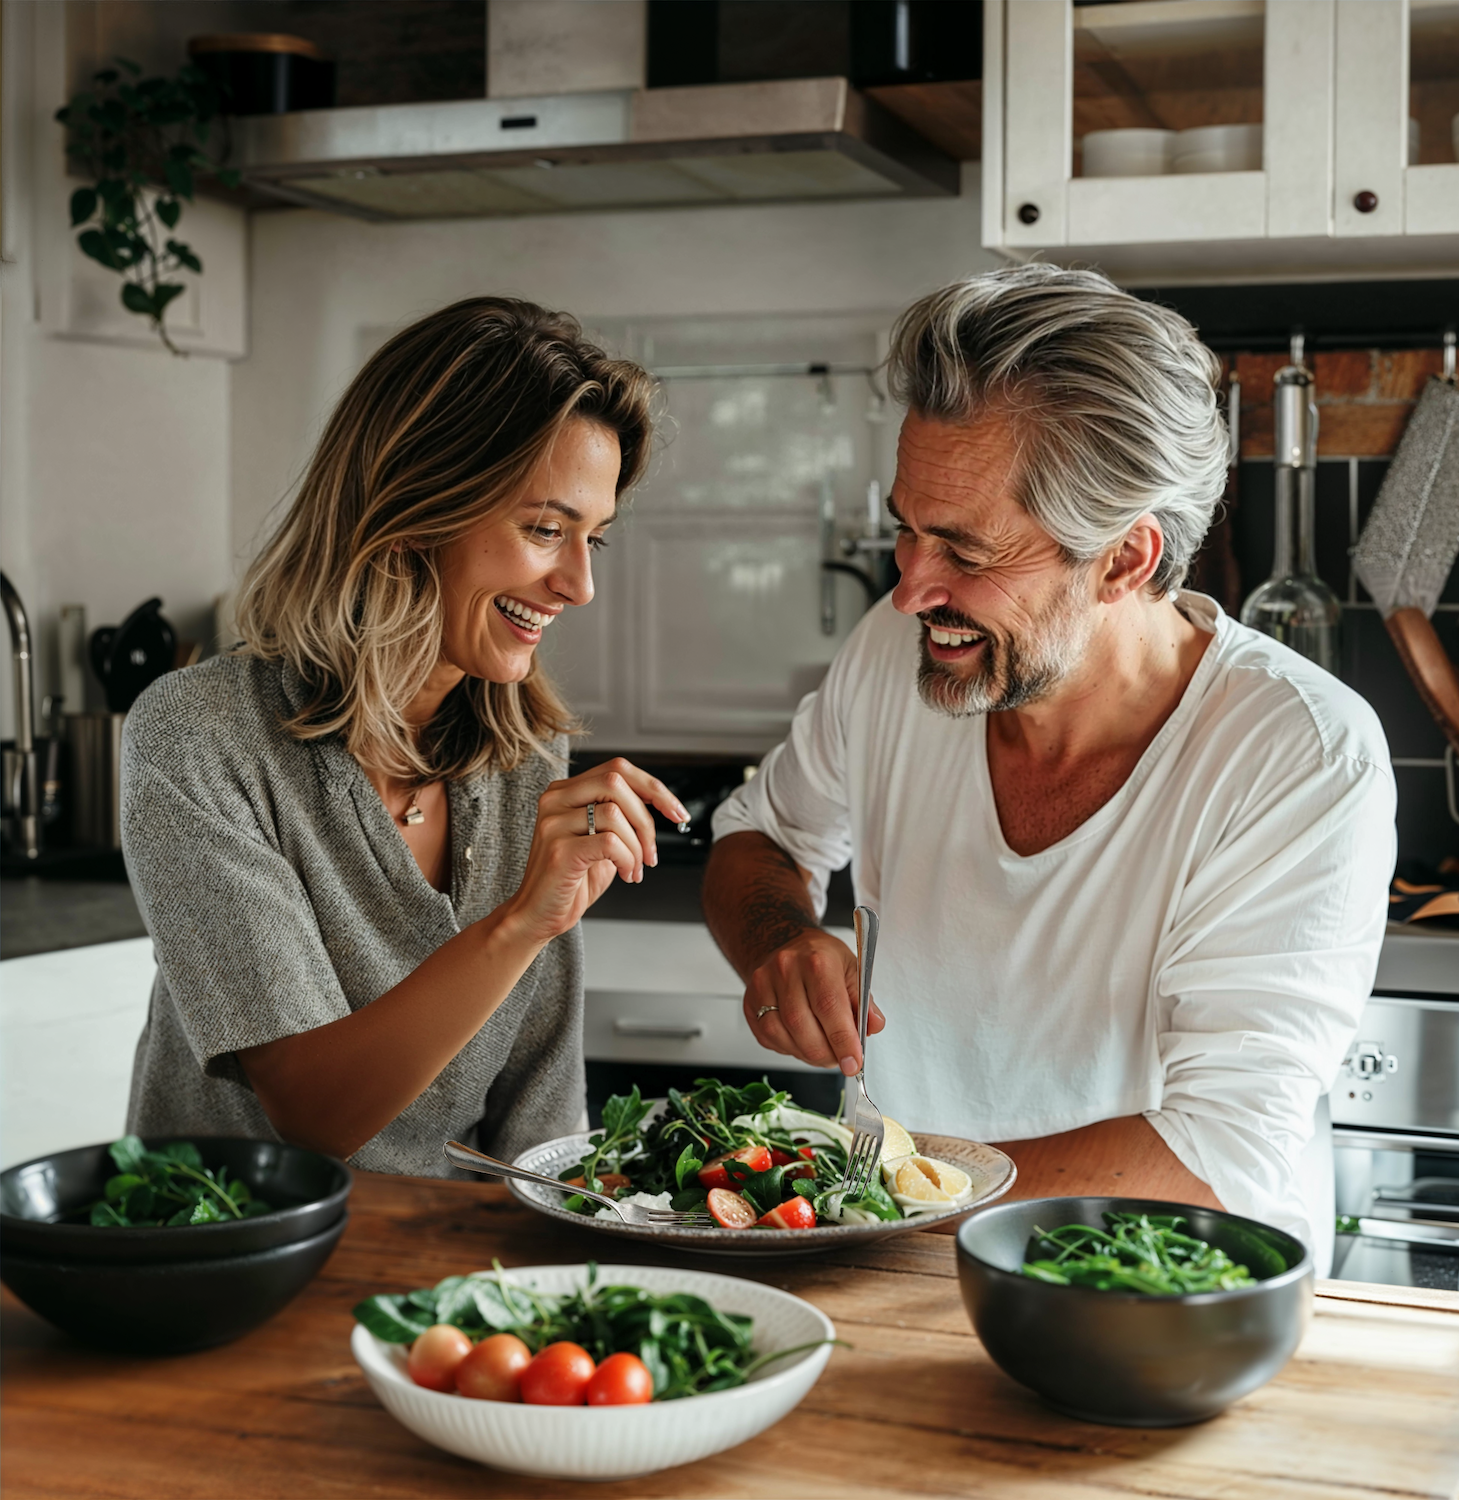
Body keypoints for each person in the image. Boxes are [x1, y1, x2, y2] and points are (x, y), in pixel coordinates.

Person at [704, 264, 1394, 1270]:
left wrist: (900, 1206)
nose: (908, 591)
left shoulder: (1297, 752)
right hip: (908, 1276)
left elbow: (1223, 1146)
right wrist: (779, 939)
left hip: (1172, 1301)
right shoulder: (898, 662)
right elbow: (759, 836)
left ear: (1124, 558)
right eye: (905, 527)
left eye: (966, 553)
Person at [122, 297, 691, 1173]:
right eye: (545, 530)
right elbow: (310, 1114)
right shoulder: (199, 738)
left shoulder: (527, 757)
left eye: (595, 541)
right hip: (225, 1275)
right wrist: (515, 927)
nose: (577, 585)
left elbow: (539, 1128)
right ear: (416, 507)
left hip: (443, 1286)